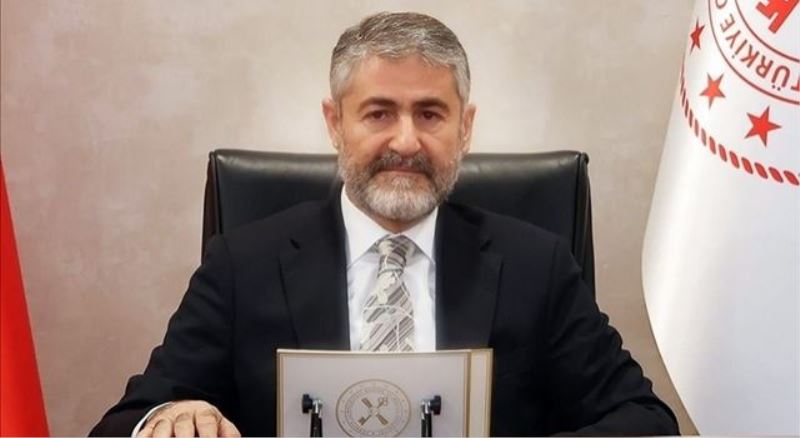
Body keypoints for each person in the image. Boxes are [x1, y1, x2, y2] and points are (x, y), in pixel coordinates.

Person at [91, 12, 679, 437]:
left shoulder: (536, 265)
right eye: (378, 113)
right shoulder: (243, 265)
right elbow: (124, 423)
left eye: (430, 114)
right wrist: (170, 418)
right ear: (335, 123)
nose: (406, 141)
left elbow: (646, 421)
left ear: (465, 128)